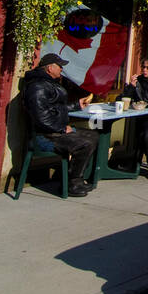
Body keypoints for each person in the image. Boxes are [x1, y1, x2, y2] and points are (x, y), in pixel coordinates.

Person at [22, 54, 96, 197]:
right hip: (44, 136)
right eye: (59, 66)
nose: (62, 69)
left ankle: (76, 178)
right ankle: (72, 184)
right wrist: (61, 129)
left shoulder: (48, 83)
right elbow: (41, 117)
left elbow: (55, 108)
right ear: (50, 68)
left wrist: (76, 105)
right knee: (84, 143)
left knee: (92, 135)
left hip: (55, 131)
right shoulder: (37, 87)